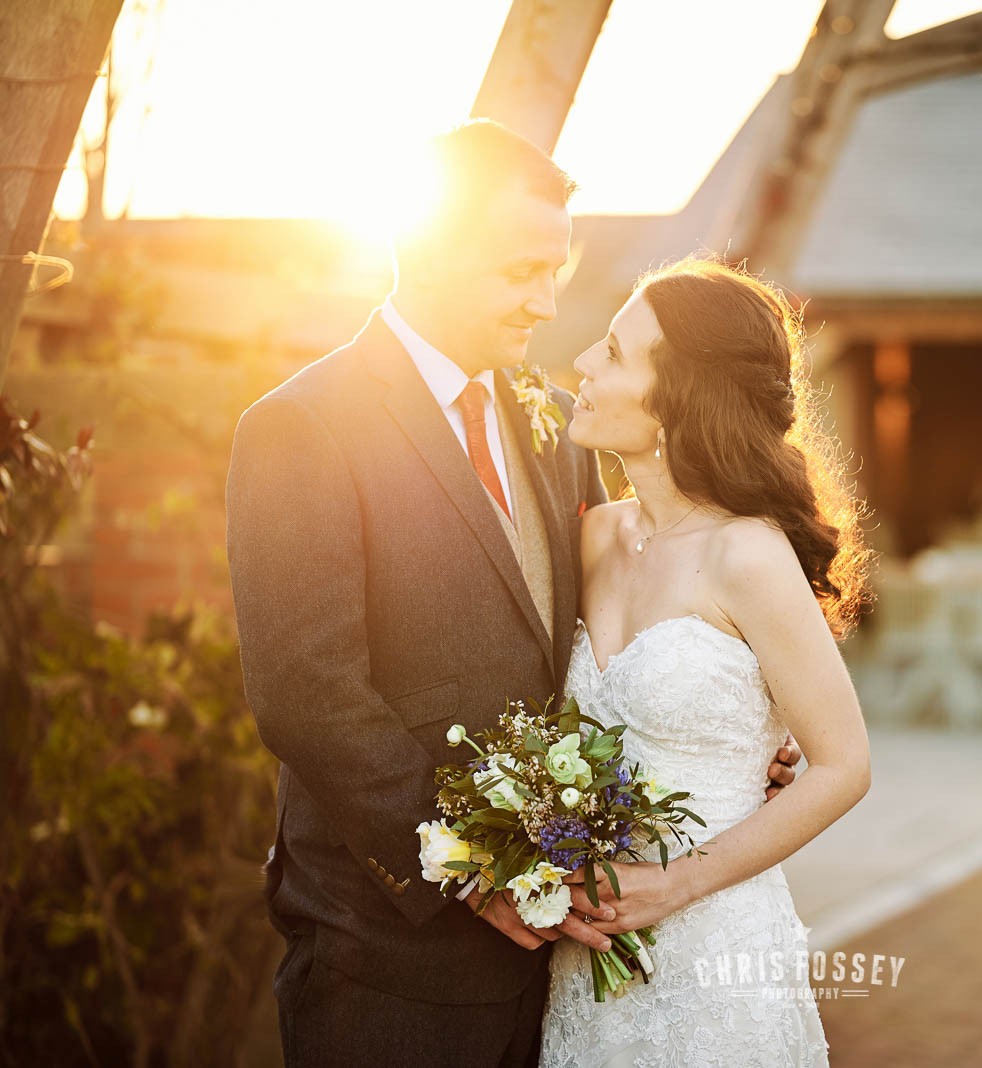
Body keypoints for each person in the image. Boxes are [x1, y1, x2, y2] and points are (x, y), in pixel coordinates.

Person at [225, 121, 803, 1066]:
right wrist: (473, 867)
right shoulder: (302, 426)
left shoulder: (552, 422)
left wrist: (744, 727)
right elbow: (305, 691)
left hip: (559, 964)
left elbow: (617, 622)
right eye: (520, 271)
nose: (546, 300)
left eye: (556, 270)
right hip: (386, 956)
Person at [538, 256, 873, 1066]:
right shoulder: (593, 537)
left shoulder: (747, 555)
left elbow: (844, 766)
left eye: (613, 353)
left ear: (676, 399)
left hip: (715, 959)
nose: (581, 363)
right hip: (586, 964)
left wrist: (674, 883)